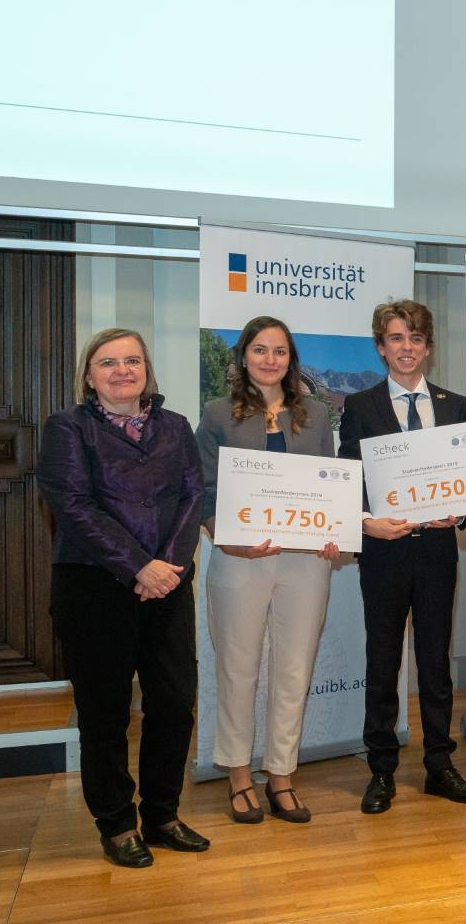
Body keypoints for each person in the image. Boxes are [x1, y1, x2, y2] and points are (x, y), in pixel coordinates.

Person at [37, 328, 208, 868]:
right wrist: (140, 564)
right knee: (105, 711)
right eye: (108, 362)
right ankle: (116, 823)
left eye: (132, 360)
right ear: (89, 376)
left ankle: (162, 814)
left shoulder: (175, 426)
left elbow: (192, 496)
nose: (122, 370)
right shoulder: (67, 428)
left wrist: (168, 568)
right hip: (94, 586)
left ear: (146, 370)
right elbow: (74, 506)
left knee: (175, 704)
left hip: (169, 584)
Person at [196, 316, 339, 824]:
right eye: (260, 350)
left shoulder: (317, 416)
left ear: (290, 359)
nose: (270, 360)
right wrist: (225, 536)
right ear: (243, 357)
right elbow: (202, 488)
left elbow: (331, 483)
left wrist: (335, 531)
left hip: (305, 562)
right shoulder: (217, 414)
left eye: (279, 351)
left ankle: (281, 774)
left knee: (294, 668)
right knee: (238, 666)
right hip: (240, 560)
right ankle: (237, 773)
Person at [339, 299, 466, 814]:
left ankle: (440, 765)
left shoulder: (455, 405)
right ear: (381, 347)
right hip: (384, 554)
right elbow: (349, 480)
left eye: (416, 339)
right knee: (383, 661)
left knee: (435, 663)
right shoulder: (360, 407)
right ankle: (381, 770)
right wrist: (366, 521)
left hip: (438, 552)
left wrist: (458, 513)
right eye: (396, 339)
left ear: (428, 347)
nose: (407, 348)